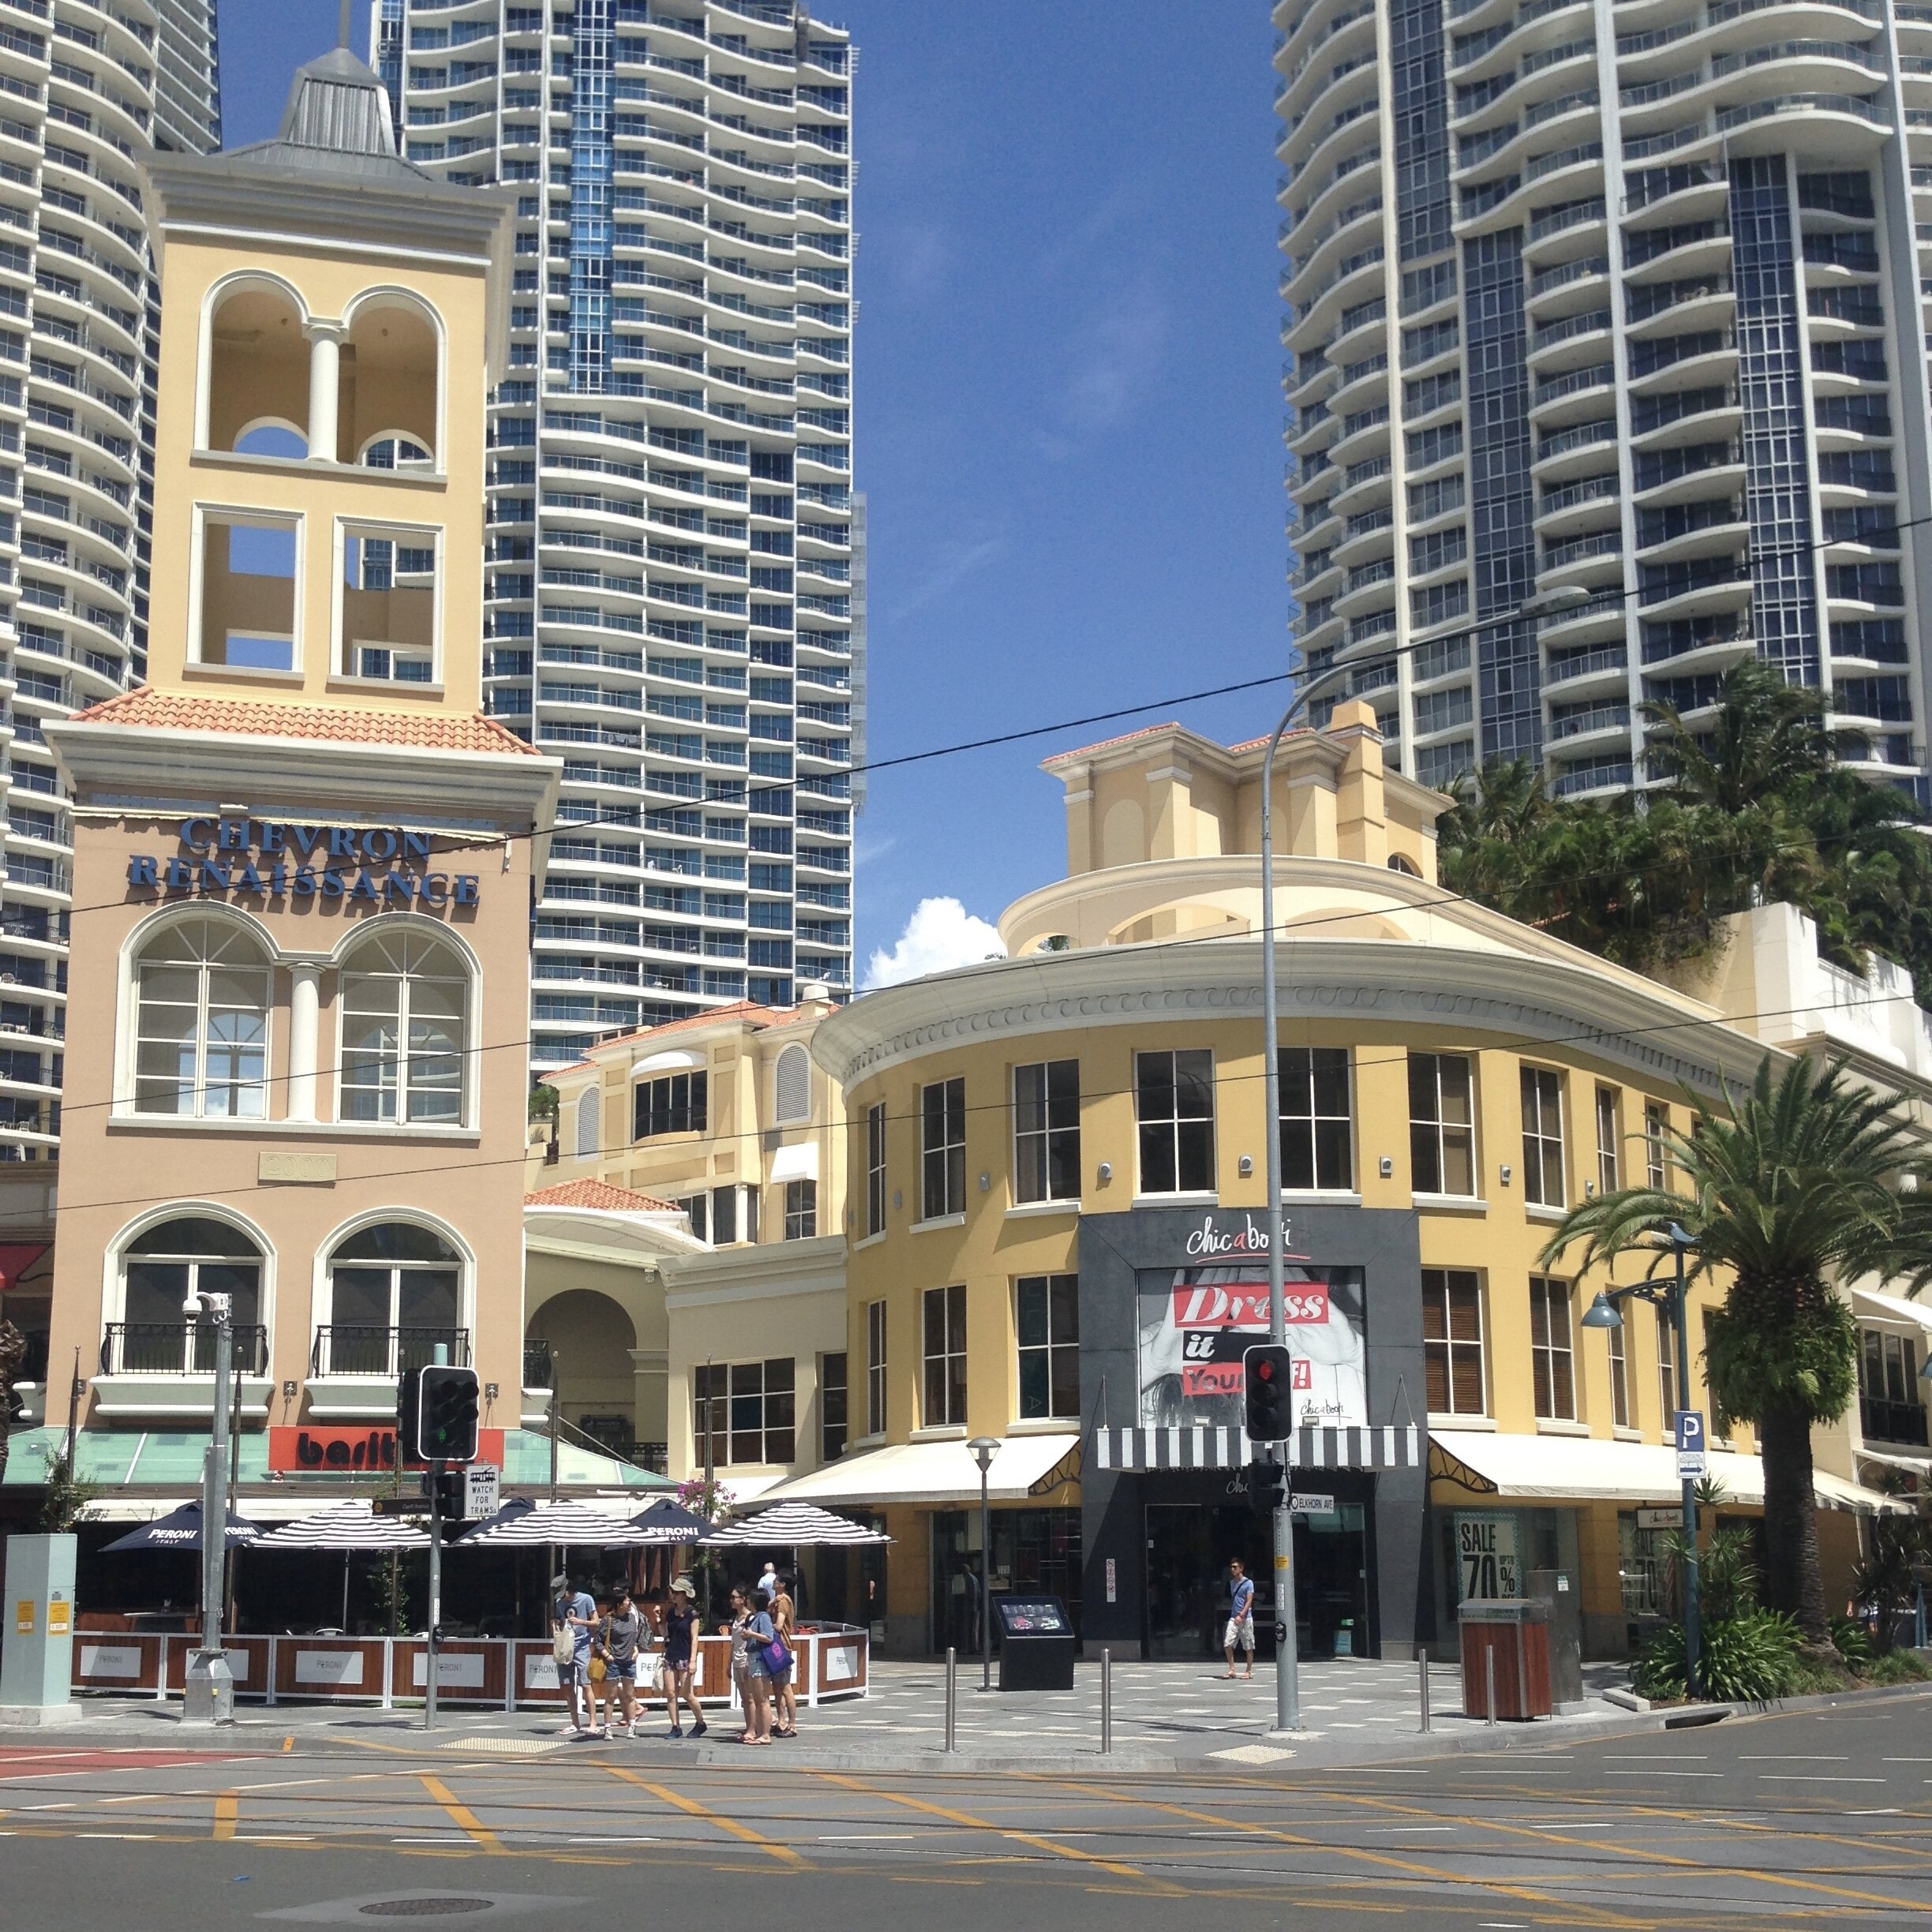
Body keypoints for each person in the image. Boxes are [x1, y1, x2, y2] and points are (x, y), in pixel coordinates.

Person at [552, 1570, 598, 1735]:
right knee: (567, 1686)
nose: (563, 1598)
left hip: (582, 1646)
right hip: (565, 1647)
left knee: (586, 1684)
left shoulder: (586, 1599)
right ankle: (575, 1723)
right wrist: (557, 1624)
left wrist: (581, 1622)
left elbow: (596, 1622)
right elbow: (559, 1619)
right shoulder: (559, 1603)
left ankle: (593, 1722)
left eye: (564, 1594)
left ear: (569, 1589)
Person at [597, 1582, 645, 1737]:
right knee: (610, 1696)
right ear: (619, 1604)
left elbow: (634, 1637)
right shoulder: (608, 1620)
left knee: (630, 1695)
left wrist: (636, 1649)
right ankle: (607, 1728)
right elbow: (597, 1640)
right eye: (626, 1601)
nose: (629, 1603)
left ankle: (632, 1726)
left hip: (629, 1661)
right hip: (614, 1661)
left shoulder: (631, 1618)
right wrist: (607, 1655)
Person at [663, 1573, 708, 1739]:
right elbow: (666, 1634)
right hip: (671, 1655)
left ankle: (701, 1722)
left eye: (676, 1592)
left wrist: (693, 1659)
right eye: (673, 1592)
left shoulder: (692, 1614)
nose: (673, 1595)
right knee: (670, 1693)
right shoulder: (670, 1613)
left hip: (685, 1655)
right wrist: (659, 1621)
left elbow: (695, 1637)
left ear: (684, 1595)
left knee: (687, 1694)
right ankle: (676, 1726)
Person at [742, 1586, 778, 1744]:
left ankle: (765, 1734)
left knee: (762, 1699)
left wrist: (751, 1634)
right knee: (758, 1699)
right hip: (753, 1659)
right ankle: (760, 1733)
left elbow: (768, 1637)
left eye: (750, 1598)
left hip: (759, 1661)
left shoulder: (763, 1617)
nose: (747, 1601)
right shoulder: (755, 1616)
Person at [721, 1585, 755, 1742]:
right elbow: (734, 1643)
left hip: (746, 1661)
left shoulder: (751, 1618)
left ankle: (752, 1730)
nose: (731, 1600)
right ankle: (749, 1728)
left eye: (734, 1597)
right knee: (744, 1699)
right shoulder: (736, 1618)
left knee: (750, 1698)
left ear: (742, 1600)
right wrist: (729, 1663)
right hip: (737, 1660)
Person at [769, 1572, 799, 1739]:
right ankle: (781, 1721)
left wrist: (764, 1627)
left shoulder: (783, 1602)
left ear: (783, 1584)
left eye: (777, 1580)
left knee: (785, 1687)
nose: (774, 1582)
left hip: (781, 1647)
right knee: (777, 1687)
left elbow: (779, 1626)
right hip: (776, 1647)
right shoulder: (778, 1601)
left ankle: (792, 1724)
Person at [1222, 1557, 1256, 1681]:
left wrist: (1241, 1615)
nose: (1232, 1569)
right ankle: (1232, 1669)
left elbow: (1249, 1601)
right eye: (1231, 1567)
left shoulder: (1248, 1583)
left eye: (1235, 1567)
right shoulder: (1231, 1583)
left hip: (1245, 1618)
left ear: (1241, 1568)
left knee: (1248, 1645)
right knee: (1227, 1643)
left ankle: (1248, 1670)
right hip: (1233, 1616)